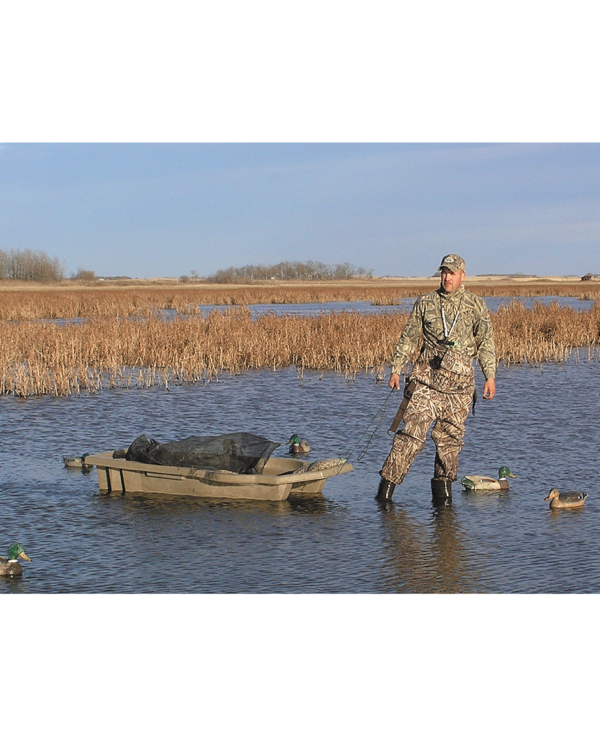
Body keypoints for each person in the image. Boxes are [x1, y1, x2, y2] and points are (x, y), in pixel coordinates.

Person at [377, 254, 496, 502]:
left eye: (452, 273)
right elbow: (408, 338)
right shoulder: (426, 303)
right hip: (426, 383)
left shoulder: (476, 305)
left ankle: (443, 505)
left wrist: (490, 376)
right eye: (444, 272)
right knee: (410, 437)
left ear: (463, 276)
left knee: (449, 443)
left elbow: (486, 342)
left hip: (459, 390)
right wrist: (396, 370)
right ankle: (384, 497)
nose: (447, 277)